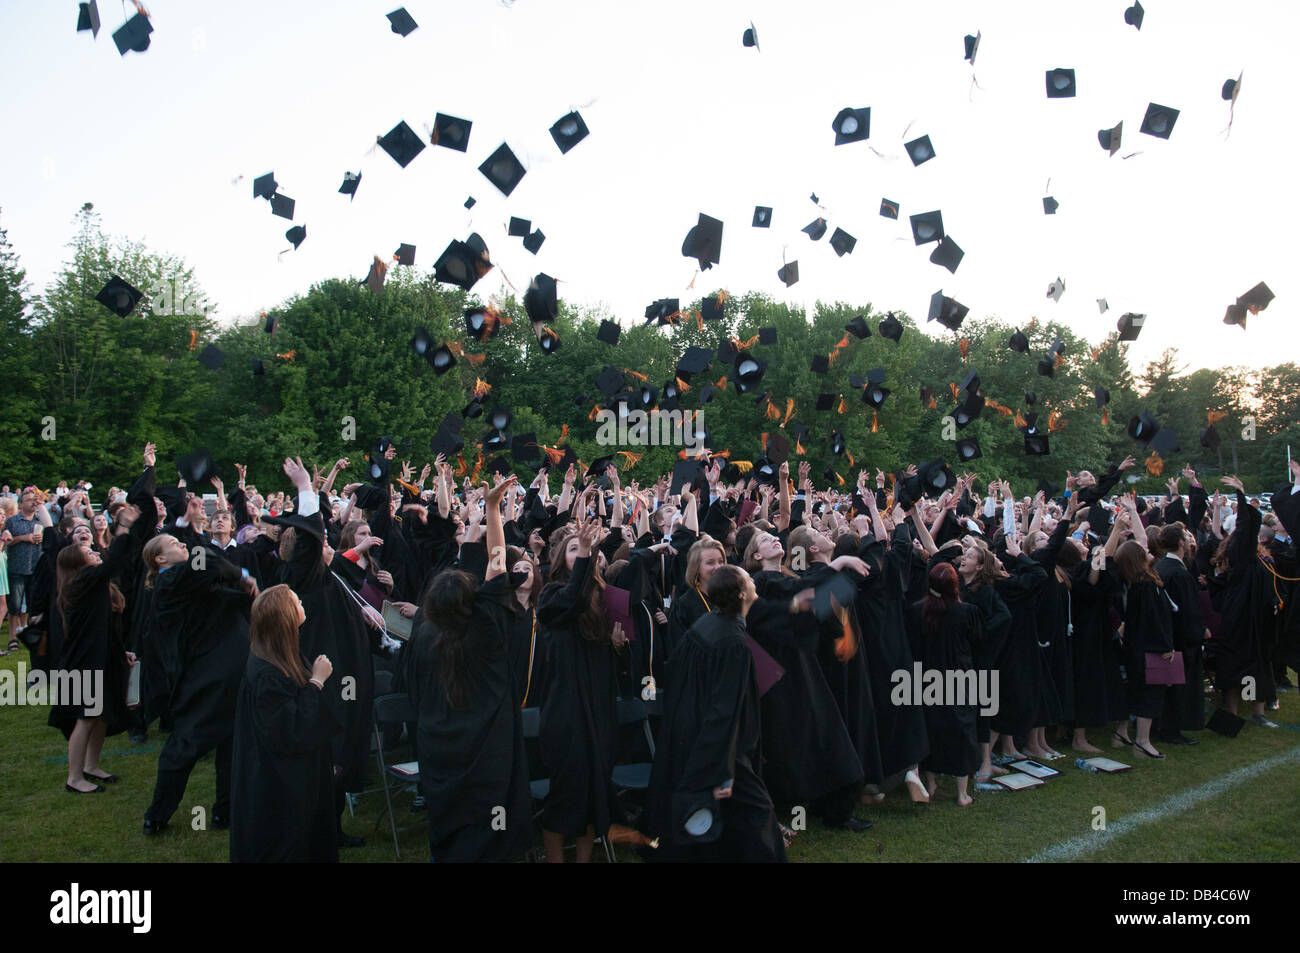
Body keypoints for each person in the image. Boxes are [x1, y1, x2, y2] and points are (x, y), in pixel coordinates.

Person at [405, 476, 532, 862]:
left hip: (439, 750)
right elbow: (496, 565)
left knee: (452, 829)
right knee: (491, 833)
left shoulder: (424, 636)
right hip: (487, 755)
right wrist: (493, 509)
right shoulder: (487, 630)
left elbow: (492, 570)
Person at [644, 564, 787, 861]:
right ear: (741, 593)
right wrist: (722, 771)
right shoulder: (732, 642)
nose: (753, 580)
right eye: (749, 579)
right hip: (722, 751)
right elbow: (723, 710)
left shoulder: (709, 624)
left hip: (698, 740)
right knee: (757, 814)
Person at [141, 530, 257, 835]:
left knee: (232, 746)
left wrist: (247, 592)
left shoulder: (187, 580)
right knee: (186, 745)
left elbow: (220, 597)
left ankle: (226, 811)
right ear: (159, 559)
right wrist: (240, 575)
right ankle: (157, 815)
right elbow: (206, 560)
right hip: (203, 679)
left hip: (227, 675)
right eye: (173, 544)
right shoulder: (170, 580)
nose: (182, 545)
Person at [537, 509, 628, 862]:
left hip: (599, 706)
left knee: (595, 792)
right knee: (567, 791)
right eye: (574, 549)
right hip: (566, 709)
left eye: (587, 550)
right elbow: (571, 602)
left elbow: (613, 666)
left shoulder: (604, 600)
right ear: (563, 559)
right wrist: (586, 557)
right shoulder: (552, 596)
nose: (583, 553)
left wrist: (619, 647)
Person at [230, 584, 339, 862]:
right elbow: (290, 731)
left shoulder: (277, 657)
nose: (302, 602)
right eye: (296, 601)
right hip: (280, 787)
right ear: (285, 617)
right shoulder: (267, 675)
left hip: (295, 777)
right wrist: (316, 682)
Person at [905, 562, 983, 806]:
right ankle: (962, 793)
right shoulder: (966, 611)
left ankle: (931, 784)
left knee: (932, 729)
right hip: (959, 677)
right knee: (962, 732)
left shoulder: (917, 610)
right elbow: (978, 640)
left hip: (927, 678)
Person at [5, 488, 44, 647]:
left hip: (35, 568)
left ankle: (26, 633)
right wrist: (24, 538)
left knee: (30, 605)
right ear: (20, 504)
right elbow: (7, 541)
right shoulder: (12, 521)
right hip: (17, 568)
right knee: (14, 605)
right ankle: (12, 638)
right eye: (29, 500)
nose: (33, 502)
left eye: (34, 500)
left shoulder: (39, 521)